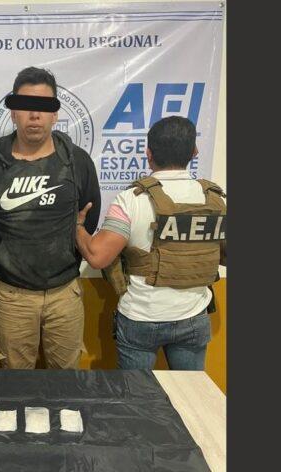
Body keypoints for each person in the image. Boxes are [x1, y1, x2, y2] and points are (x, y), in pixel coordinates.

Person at [0, 66, 101, 369]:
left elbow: (88, 219)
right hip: (12, 296)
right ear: (13, 112)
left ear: (54, 114)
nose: (34, 115)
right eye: (26, 105)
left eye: (43, 107)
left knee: (66, 382)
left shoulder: (78, 161)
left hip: (65, 294)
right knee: (16, 383)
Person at [75, 116, 226, 370]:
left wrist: (78, 227)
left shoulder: (131, 200)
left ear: (148, 153)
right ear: (194, 152)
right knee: (188, 393)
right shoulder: (215, 200)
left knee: (137, 393)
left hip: (141, 317)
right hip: (194, 317)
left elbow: (98, 256)